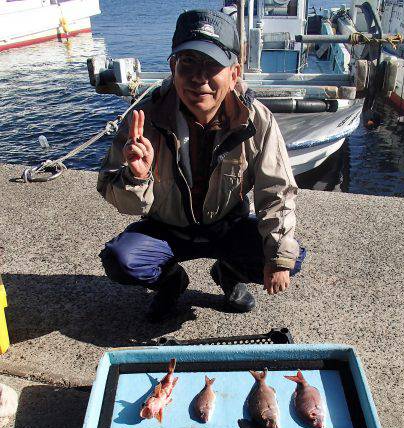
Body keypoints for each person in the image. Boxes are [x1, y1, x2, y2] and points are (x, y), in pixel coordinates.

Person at [98, 9, 305, 322]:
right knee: (120, 260)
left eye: (212, 65)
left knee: (289, 256)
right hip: (165, 229)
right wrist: (135, 178)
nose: (198, 78)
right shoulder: (143, 118)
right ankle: (171, 284)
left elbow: (277, 192)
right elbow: (114, 192)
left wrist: (279, 257)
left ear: (234, 73)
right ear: (173, 67)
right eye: (189, 63)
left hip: (227, 226)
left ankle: (228, 275)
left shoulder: (257, 119)